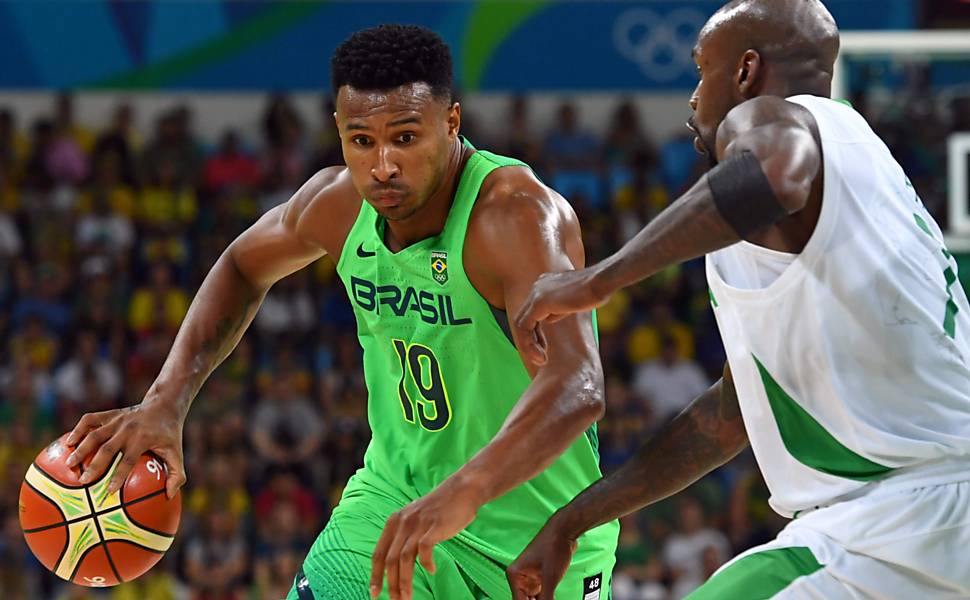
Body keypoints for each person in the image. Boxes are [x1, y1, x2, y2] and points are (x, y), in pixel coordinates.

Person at [63, 25, 618, 600]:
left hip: (543, 540)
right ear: (338, 132)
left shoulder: (515, 218)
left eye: (405, 138)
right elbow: (242, 266)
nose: (382, 166)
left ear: (451, 123)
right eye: (361, 141)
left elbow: (578, 385)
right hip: (392, 505)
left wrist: (464, 490)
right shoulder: (337, 205)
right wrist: (165, 402)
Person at [508, 1, 970, 598]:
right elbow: (727, 417)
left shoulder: (771, 120)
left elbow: (776, 172)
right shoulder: (863, 160)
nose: (695, 98)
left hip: (895, 523)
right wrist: (572, 522)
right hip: (929, 519)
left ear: (747, 71)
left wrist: (597, 279)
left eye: (702, 69)